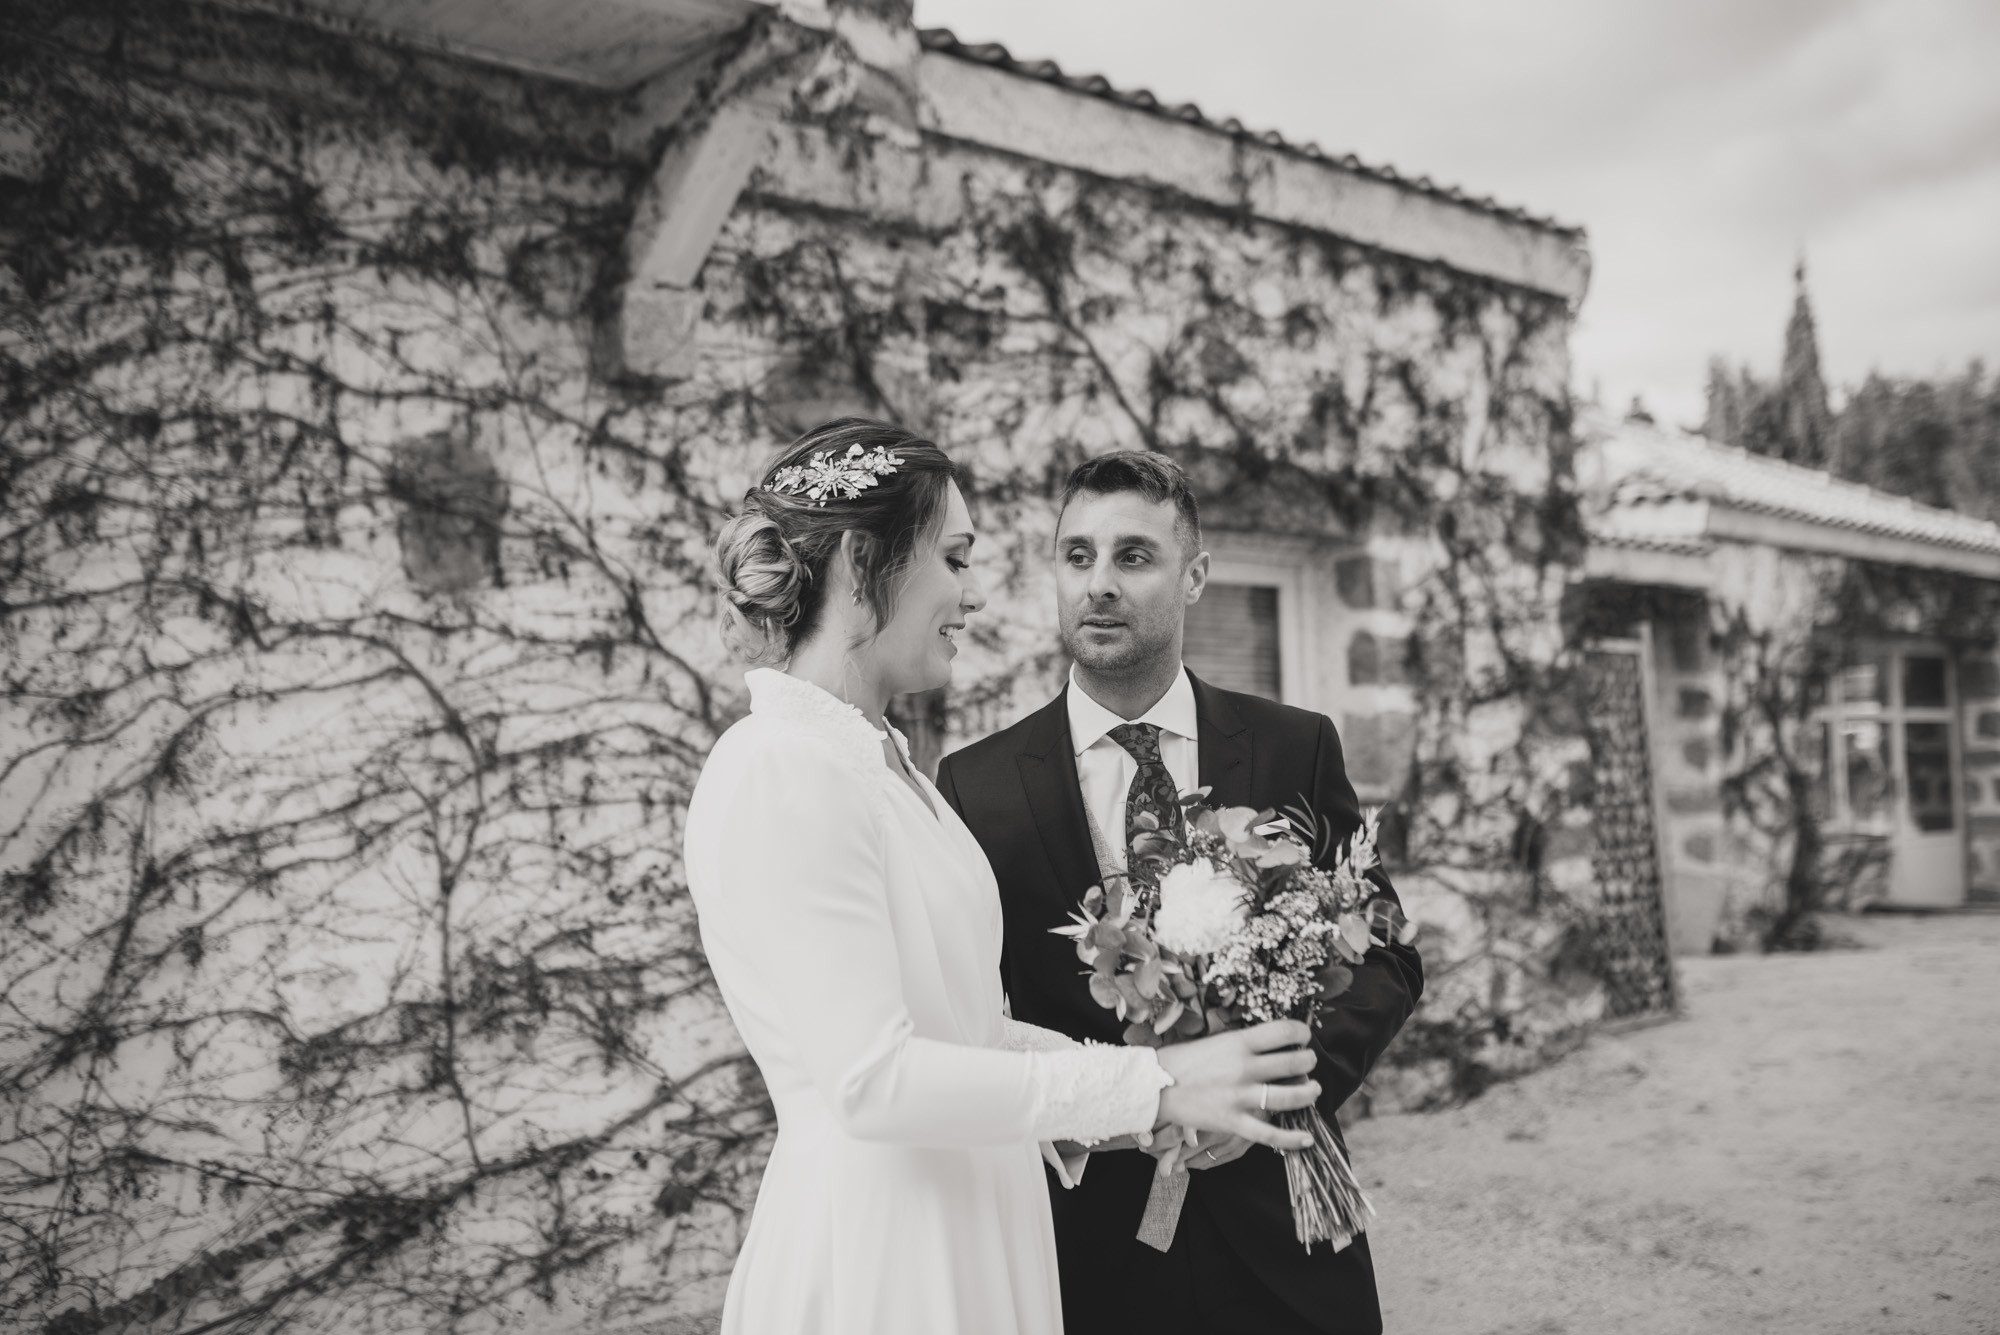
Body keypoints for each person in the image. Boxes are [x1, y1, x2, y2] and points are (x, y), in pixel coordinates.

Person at [684, 419, 1328, 1335]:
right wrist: (1152, 1086)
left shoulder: (885, 769)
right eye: (953, 558)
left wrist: (1146, 1083)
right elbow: (873, 1080)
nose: (972, 594)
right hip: (890, 1249)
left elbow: (972, 1034)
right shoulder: (777, 766)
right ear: (868, 563)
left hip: (980, 1214)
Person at [937, 450, 1424, 1335]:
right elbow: (972, 1021)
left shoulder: (1292, 746)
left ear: (1194, 575)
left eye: (1134, 556)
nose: (1099, 584)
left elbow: (1386, 950)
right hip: (1092, 1248)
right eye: (1077, 556)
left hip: (1285, 1217)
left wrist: (1276, 1092)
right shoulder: (976, 787)